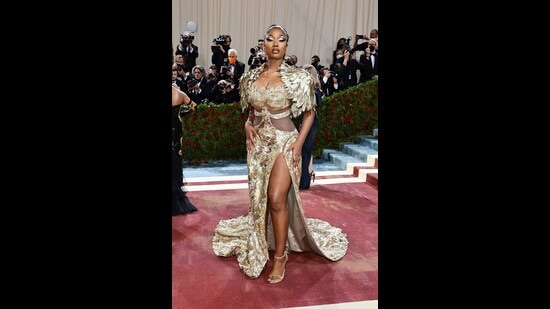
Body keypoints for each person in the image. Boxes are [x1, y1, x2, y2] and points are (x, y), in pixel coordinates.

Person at [212, 24, 348, 284]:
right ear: (263, 44)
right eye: (270, 39)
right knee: (260, 200)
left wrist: (298, 145)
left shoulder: (298, 77)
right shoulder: (249, 77)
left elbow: (309, 113)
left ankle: (280, 256)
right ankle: (270, 239)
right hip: (258, 147)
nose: (275, 44)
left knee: (275, 198)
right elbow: (251, 113)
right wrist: (246, 125)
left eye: (281, 39)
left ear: (287, 45)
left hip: (285, 143)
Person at [172, 84, 198, 216]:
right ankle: (177, 192)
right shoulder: (179, 93)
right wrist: (183, 113)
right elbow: (194, 107)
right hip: (176, 129)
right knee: (176, 158)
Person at [298, 64, 323, 189]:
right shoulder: (314, 90)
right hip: (310, 121)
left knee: (305, 150)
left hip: (308, 121)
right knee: (305, 150)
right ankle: (303, 179)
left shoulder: (313, 91)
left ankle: (303, 181)